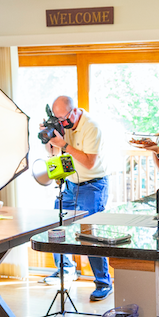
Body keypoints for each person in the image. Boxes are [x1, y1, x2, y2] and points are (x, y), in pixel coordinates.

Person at [42, 95, 113, 301]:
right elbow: (54, 154)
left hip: (93, 185)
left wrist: (64, 144)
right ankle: (66, 269)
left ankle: (103, 282)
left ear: (74, 112)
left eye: (63, 119)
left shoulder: (91, 127)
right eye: (56, 119)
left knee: (89, 234)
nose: (61, 123)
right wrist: (50, 138)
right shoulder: (61, 124)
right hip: (70, 184)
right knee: (56, 226)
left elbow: (89, 163)